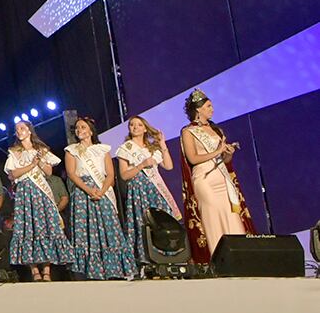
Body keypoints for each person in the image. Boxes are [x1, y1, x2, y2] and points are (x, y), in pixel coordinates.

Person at [180, 89, 255, 261]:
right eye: (208, 106)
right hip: (204, 179)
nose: (212, 109)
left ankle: (240, 258)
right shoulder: (187, 131)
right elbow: (192, 158)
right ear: (198, 109)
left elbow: (225, 160)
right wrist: (216, 152)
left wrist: (228, 152)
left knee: (232, 215)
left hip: (222, 178)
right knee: (213, 217)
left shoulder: (217, 130)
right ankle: (218, 260)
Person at [64, 116, 135, 279]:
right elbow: (72, 174)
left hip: (103, 190)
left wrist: (102, 191)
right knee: (87, 229)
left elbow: (110, 174)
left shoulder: (103, 149)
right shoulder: (71, 150)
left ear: (90, 130)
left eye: (82, 127)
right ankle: (92, 269)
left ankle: (113, 268)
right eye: (77, 128)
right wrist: (89, 190)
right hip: (83, 191)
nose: (79, 130)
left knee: (108, 227)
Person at [5, 119, 73, 281]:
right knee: (28, 229)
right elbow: (13, 174)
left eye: (22, 128)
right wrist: (31, 165)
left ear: (29, 131)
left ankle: (47, 270)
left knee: (45, 228)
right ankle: (34, 270)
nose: (19, 131)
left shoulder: (41, 149)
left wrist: (40, 160)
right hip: (25, 193)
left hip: (41, 193)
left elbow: (48, 172)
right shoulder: (14, 152)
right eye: (17, 129)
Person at [116, 114, 181, 263]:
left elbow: (169, 166)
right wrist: (141, 165)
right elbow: (124, 175)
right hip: (138, 190)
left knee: (162, 220)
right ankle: (147, 258)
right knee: (144, 222)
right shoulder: (126, 149)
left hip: (155, 189)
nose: (135, 127)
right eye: (132, 125)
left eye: (139, 125)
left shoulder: (152, 148)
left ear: (145, 128)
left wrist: (162, 144)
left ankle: (168, 256)